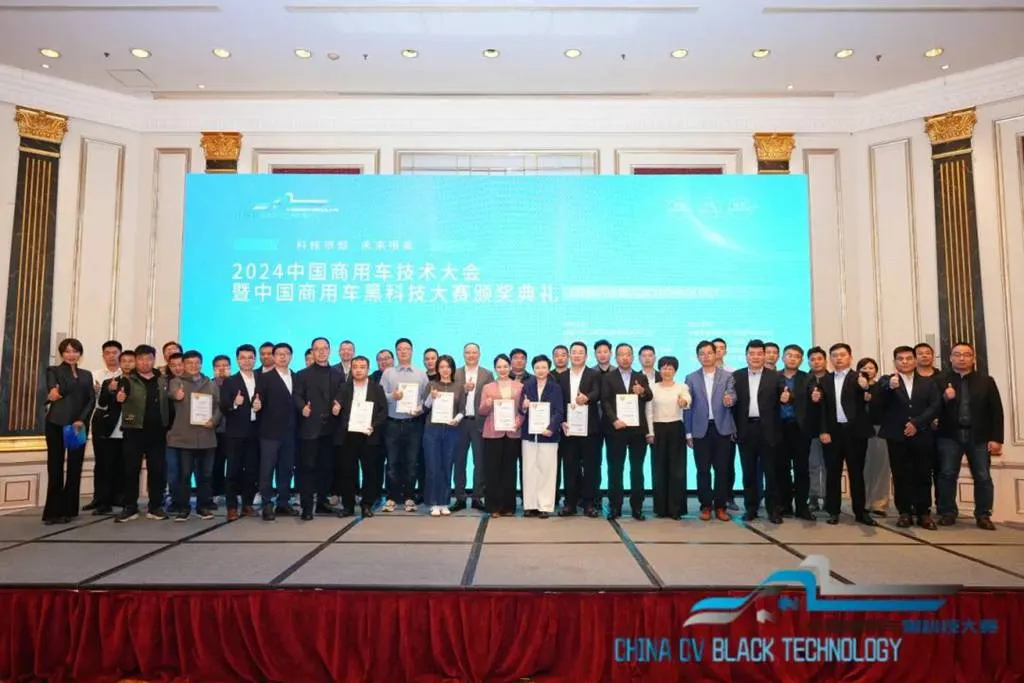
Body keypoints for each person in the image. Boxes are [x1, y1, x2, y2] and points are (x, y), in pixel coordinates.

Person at [935, 342, 1002, 530]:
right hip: (949, 435)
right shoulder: (940, 381)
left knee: (982, 476)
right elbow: (931, 408)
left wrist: (997, 438)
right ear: (950, 358)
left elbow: (996, 411)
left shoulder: (986, 381)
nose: (962, 358)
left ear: (973, 358)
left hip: (979, 436)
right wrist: (944, 398)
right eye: (957, 354)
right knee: (947, 474)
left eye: (966, 355)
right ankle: (948, 512)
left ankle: (983, 515)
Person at [873, 346, 941, 530]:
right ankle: (904, 512)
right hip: (897, 435)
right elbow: (877, 404)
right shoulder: (887, 381)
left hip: (922, 434)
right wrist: (889, 387)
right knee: (900, 474)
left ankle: (923, 512)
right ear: (894, 362)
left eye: (909, 358)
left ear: (915, 360)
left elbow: (935, 406)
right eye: (900, 359)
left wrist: (917, 424)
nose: (905, 362)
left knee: (923, 473)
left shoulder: (928, 382)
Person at [817, 343, 877, 526]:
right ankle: (833, 511)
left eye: (842, 355)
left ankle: (860, 512)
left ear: (850, 357)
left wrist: (866, 388)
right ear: (830, 359)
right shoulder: (825, 380)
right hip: (832, 433)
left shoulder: (859, 377)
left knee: (856, 473)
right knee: (832, 473)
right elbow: (822, 409)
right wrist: (823, 430)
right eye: (835, 355)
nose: (839, 358)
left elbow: (867, 393)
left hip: (855, 433)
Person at [42, 338, 95, 524]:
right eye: (67, 351)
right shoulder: (53, 371)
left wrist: (81, 419)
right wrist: (54, 391)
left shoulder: (86, 375)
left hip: (77, 426)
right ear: (62, 354)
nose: (71, 355)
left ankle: (69, 509)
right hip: (56, 424)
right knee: (55, 467)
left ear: (80, 353)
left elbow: (91, 400)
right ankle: (53, 512)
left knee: (74, 468)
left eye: (75, 351)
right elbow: (55, 392)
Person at [116, 344, 170, 522]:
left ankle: (155, 506)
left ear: (154, 360)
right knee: (131, 470)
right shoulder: (127, 380)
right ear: (136, 360)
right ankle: (130, 507)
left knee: (157, 470)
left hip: (158, 432)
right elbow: (118, 394)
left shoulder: (163, 379)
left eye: (149, 359)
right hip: (134, 431)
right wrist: (119, 396)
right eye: (141, 359)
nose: (145, 362)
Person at [684, 340, 737, 522]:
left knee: (722, 470)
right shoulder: (691, 378)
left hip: (722, 429)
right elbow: (687, 407)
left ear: (716, 354)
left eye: (709, 353)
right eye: (702, 353)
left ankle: (721, 506)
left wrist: (730, 399)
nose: (706, 357)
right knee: (703, 470)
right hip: (700, 430)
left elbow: (732, 394)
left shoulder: (727, 376)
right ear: (697, 357)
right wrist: (688, 432)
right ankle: (705, 505)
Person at [731, 340, 783, 524]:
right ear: (746, 356)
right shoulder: (736, 376)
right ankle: (751, 509)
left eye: (759, 354)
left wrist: (788, 397)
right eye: (751, 354)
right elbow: (733, 405)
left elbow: (785, 395)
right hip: (746, 430)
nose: (755, 357)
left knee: (771, 472)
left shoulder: (775, 376)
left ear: (764, 355)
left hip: (768, 430)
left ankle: (773, 510)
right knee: (749, 472)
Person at [295, 337, 347, 520]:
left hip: (331, 429)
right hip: (310, 429)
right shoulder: (302, 374)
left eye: (324, 348)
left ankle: (322, 504)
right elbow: (296, 396)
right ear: (312, 352)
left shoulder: (338, 374)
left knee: (327, 468)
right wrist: (302, 407)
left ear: (329, 351)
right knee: (308, 468)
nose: (321, 352)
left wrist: (339, 403)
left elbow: (342, 393)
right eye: (317, 349)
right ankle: (307, 507)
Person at [601, 343, 654, 520]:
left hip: (637, 431)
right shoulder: (608, 377)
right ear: (616, 357)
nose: (625, 358)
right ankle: (615, 506)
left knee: (637, 469)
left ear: (632, 357)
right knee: (615, 469)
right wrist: (614, 420)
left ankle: (637, 507)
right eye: (621, 355)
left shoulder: (641, 377)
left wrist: (643, 391)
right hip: (615, 430)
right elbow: (605, 401)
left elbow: (649, 396)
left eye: (628, 354)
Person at [167, 350, 221, 521]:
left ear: (201, 364)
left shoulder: (210, 384)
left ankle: (203, 506)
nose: (193, 366)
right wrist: (177, 395)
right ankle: (183, 508)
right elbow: (172, 393)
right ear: (183, 364)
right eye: (189, 363)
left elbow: (219, 406)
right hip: (185, 438)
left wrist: (214, 420)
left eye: (197, 362)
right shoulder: (176, 382)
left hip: (207, 436)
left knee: (206, 475)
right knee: (185, 476)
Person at [333, 355, 388, 517]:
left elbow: (383, 411)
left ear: (368, 369)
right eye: (355, 367)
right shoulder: (344, 388)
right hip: (348, 436)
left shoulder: (376, 388)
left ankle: (367, 505)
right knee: (347, 472)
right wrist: (335, 409)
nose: (358, 370)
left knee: (369, 471)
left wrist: (373, 425)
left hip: (369, 435)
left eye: (362, 367)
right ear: (351, 369)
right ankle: (348, 506)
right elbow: (336, 406)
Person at [380, 338, 429, 513]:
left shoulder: (420, 374)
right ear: (396, 352)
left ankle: (409, 497)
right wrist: (392, 396)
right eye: (400, 349)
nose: (403, 352)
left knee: (411, 462)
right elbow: (380, 396)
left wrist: (420, 409)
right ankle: (391, 497)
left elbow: (425, 399)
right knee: (392, 463)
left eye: (406, 349)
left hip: (413, 424)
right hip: (392, 424)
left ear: (412, 351)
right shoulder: (388, 373)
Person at [253, 343, 299, 521]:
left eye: (286, 353)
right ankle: (266, 504)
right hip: (270, 432)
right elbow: (257, 398)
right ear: (273, 357)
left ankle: (283, 503)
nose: (283, 357)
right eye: (279, 354)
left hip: (291, 432)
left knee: (286, 469)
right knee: (267, 469)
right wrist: (256, 404)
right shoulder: (265, 378)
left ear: (291, 357)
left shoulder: (296, 377)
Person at [557, 341, 602, 517]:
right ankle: (570, 503)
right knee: (570, 467)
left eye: (580, 352)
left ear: (586, 356)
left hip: (590, 429)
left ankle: (589, 503)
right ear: (570, 356)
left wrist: (587, 398)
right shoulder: (561, 376)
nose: (576, 355)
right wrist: (561, 421)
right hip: (568, 429)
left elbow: (598, 392)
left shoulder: (594, 374)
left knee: (590, 467)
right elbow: (558, 401)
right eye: (573, 352)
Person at [477, 354, 523, 517]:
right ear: (495, 369)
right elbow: (481, 411)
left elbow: (522, 410)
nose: (502, 369)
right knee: (492, 469)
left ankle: (509, 507)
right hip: (492, 432)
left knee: (509, 470)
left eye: (505, 366)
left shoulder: (519, 386)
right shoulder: (488, 387)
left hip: (512, 432)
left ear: (510, 367)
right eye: (499, 367)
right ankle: (494, 507)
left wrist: (518, 421)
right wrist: (486, 404)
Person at [645, 356, 691, 519]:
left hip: (676, 428)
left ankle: (676, 509)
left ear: (675, 371)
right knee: (659, 470)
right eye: (664, 368)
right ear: (659, 370)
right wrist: (650, 432)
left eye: (670, 368)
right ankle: (661, 509)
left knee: (677, 470)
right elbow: (649, 411)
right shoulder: (652, 387)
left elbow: (687, 398)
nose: (667, 371)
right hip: (658, 429)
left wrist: (684, 402)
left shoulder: (681, 386)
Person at [520, 355, 565, 518]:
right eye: (537, 367)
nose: (540, 370)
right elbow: (521, 410)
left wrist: (551, 427)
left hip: (549, 436)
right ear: (533, 369)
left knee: (547, 470)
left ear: (548, 369)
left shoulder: (555, 387)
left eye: (544, 367)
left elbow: (559, 411)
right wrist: (524, 406)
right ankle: (530, 505)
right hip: (529, 435)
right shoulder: (526, 386)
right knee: (529, 469)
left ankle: (544, 505)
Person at [219, 343, 260, 520]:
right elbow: (223, 406)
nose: (247, 361)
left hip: (256, 431)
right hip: (235, 433)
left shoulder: (261, 378)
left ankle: (247, 504)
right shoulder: (230, 381)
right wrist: (235, 403)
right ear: (237, 360)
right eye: (243, 358)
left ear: (255, 359)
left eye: (250, 357)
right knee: (233, 471)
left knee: (252, 470)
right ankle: (232, 507)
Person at [452, 342, 494, 512]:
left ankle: (477, 496)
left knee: (480, 462)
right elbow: (450, 397)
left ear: (479, 354)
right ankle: (460, 497)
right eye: (468, 352)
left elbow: (490, 398)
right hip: (459, 423)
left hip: (479, 422)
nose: (471, 355)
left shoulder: (487, 374)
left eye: (474, 352)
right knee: (459, 461)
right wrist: (463, 389)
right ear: (463, 354)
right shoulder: (455, 373)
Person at [86, 340, 126, 515]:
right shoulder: (94, 375)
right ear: (103, 356)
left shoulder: (126, 375)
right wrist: (96, 391)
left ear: (120, 354)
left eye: (114, 353)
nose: (111, 356)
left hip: (122, 421)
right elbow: (90, 400)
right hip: (101, 420)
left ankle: (118, 496)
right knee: (101, 462)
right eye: (107, 353)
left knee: (120, 462)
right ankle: (99, 498)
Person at [422, 355, 465, 516]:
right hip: (432, 430)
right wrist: (430, 398)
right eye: (441, 367)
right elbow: (424, 407)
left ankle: (444, 502)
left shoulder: (459, 386)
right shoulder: (431, 385)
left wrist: (457, 419)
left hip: (452, 430)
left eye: (448, 367)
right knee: (433, 466)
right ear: (437, 369)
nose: (445, 370)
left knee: (447, 465)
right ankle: (433, 502)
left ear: (452, 369)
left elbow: (462, 409)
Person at [777, 344, 815, 520]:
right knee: (782, 468)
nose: (792, 359)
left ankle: (802, 506)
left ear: (801, 361)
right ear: (783, 358)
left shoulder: (808, 378)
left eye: (797, 356)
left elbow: (812, 395)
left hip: (800, 429)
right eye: (789, 355)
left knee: (801, 469)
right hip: (779, 429)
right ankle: (785, 505)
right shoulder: (774, 377)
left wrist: (792, 397)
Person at [857, 357, 891, 517]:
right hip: (859, 430)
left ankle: (879, 503)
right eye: (864, 367)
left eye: (871, 368)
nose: (868, 370)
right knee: (862, 467)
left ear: (876, 370)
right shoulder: (854, 386)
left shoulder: (881, 386)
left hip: (878, 429)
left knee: (880, 468)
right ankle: (862, 501)